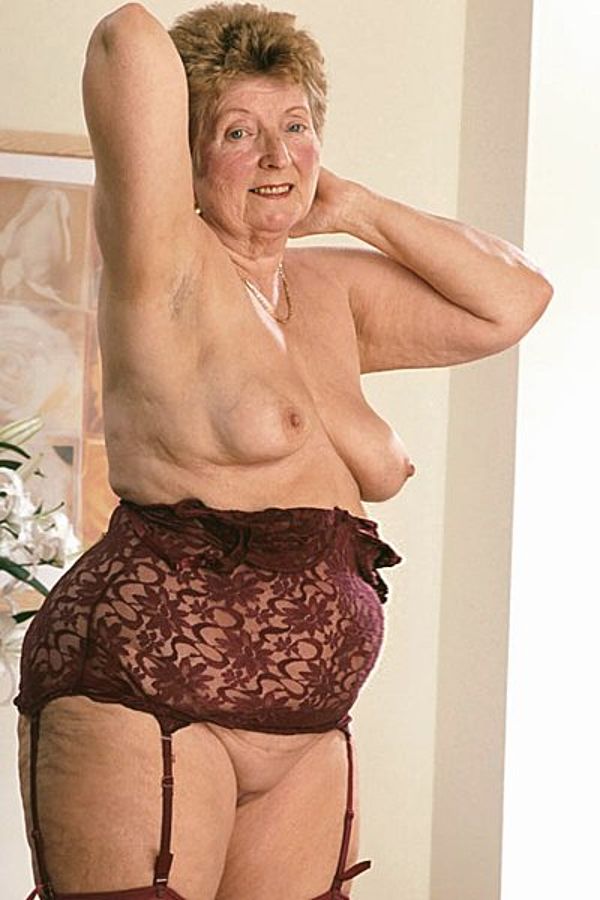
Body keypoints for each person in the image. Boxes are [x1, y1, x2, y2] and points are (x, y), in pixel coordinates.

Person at [14, 3, 553, 899]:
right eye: (239, 133)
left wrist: (354, 205)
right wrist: (197, 92)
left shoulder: (329, 292)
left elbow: (515, 300)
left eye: (295, 127)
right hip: (147, 688)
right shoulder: (165, 262)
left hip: (306, 727)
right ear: (184, 156)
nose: (275, 156)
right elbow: (126, 38)